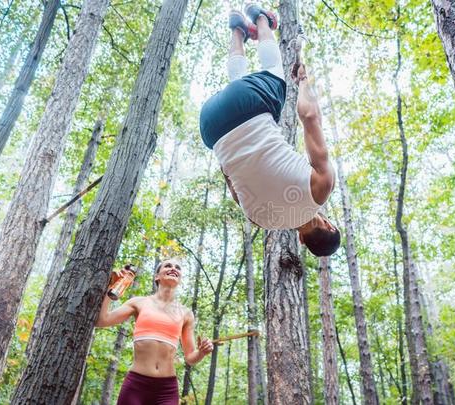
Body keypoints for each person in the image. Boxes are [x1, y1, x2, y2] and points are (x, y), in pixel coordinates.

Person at [199, 4, 340, 257]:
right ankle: (237, 31)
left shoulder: (321, 188)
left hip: (249, 105)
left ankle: (262, 19)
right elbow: (230, 178)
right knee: (239, 88)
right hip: (210, 128)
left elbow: (309, 116)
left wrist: (304, 80)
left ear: (328, 224)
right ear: (302, 240)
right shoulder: (261, 222)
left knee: (275, 73)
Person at [96, 259, 213, 405]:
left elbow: (190, 357)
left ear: (180, 279)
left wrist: (202, 352)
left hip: (167, 389)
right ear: (156, 277)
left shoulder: (186, 313)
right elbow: (102, 320)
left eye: (177, 267)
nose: (173, 268)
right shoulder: (139, 302)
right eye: (168, 266)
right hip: (136, 385)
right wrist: (111, 288)